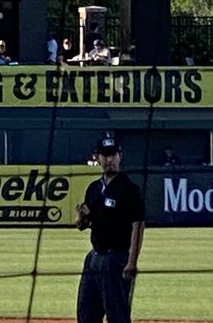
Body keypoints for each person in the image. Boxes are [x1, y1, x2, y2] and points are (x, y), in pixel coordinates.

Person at [76, 136, 144, 323]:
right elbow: (82, 226)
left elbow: (138, 225)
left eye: (113, 155)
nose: (109, 160)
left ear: (120, 156)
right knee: (86, 314)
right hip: (94, 257)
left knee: (117, 315)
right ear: (97, 158)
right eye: (105, 156)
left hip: (116, 258)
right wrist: (82, 217)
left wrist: (132, 261)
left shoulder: (129, 189)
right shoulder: (93, 189)